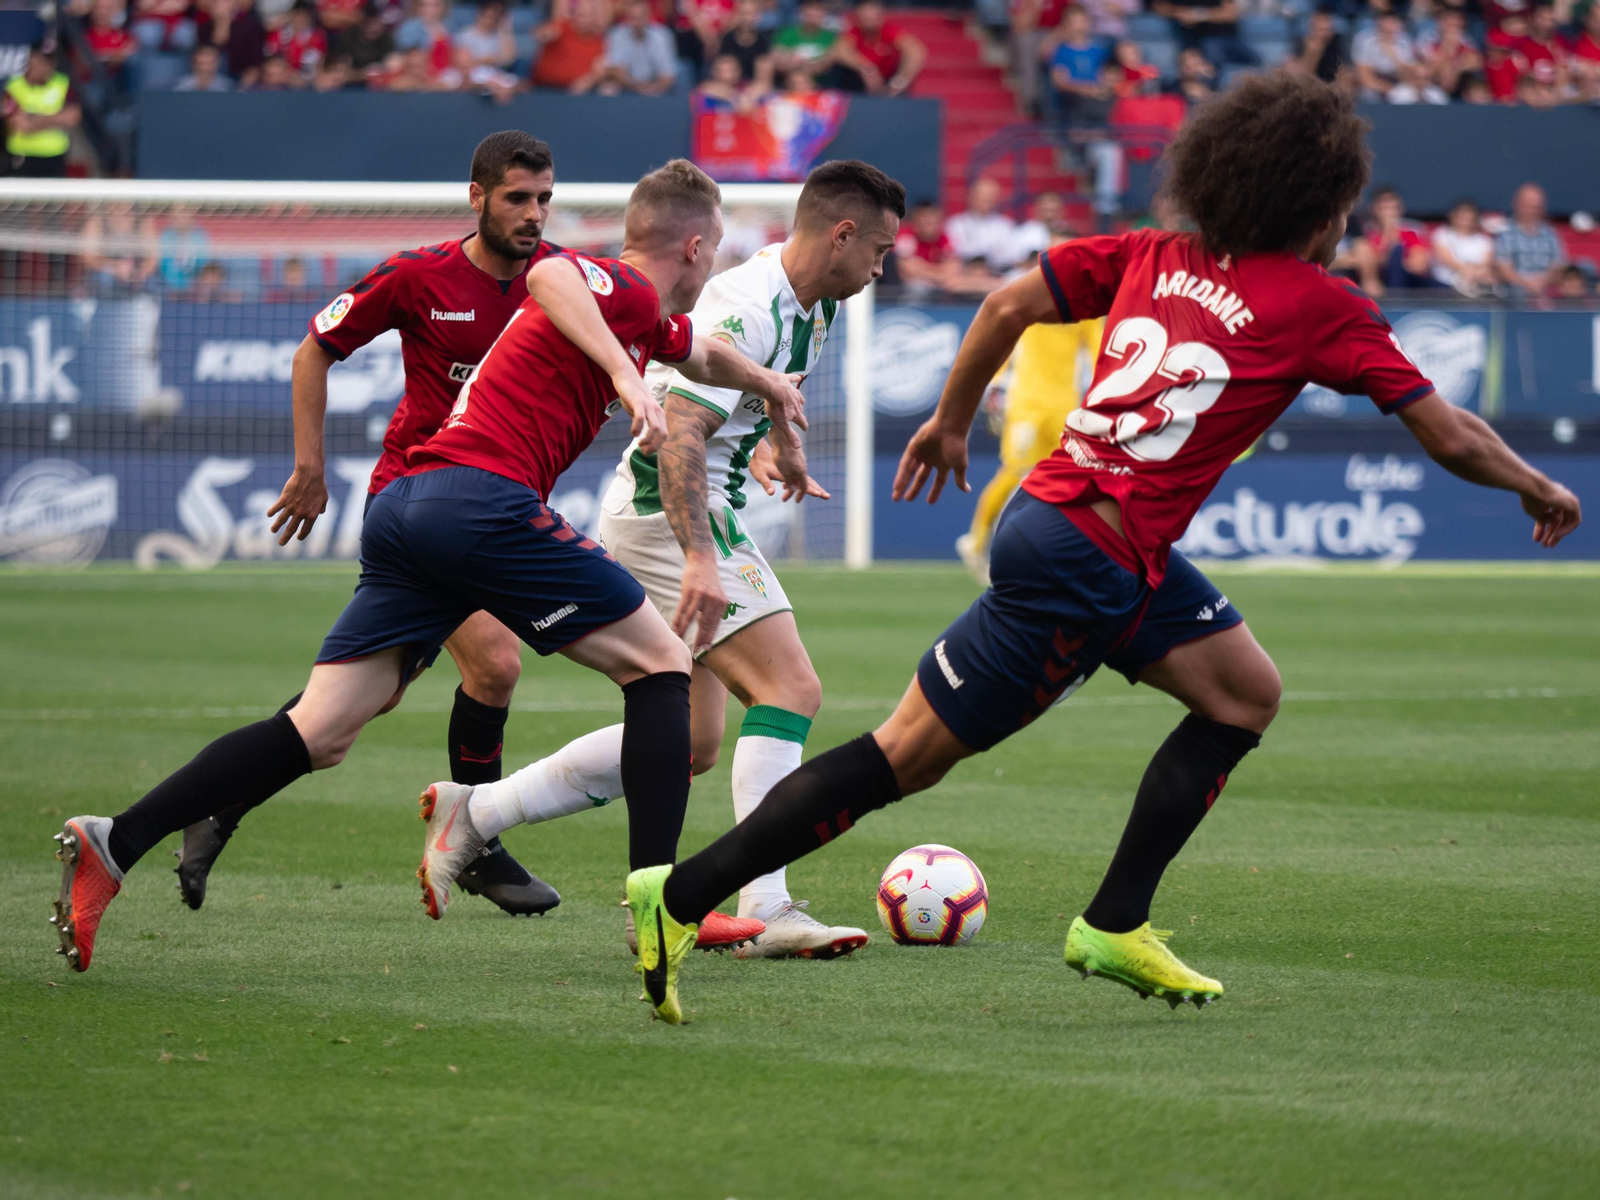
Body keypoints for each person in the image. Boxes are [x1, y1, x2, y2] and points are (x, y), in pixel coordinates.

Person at [620, 72, 1582, 1026]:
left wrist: (953, 425)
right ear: (1317, 201)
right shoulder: (1321, 304)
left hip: (1071, 527)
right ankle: (682, 895)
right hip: (1091, 561)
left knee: (1245, 692)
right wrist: (1537, 484)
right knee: (900, 760)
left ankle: (1118, 920)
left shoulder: (1155, 252)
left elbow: (1003, 307)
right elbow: (1448, 433)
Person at [51, 158, 810, 975]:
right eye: (718, 248)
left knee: (321, 729)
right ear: (695, 247)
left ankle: (116, 841)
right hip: (481, 502)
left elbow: (701, 352)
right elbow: (552, 274)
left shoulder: (641, 318)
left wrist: (769, 385)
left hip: (405, 508)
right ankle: (663, 905)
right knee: (663, 664)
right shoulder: (617, 286)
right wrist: (626, 376)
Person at [417, 161, 907, 960]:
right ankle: (769, 906)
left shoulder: (813, 308)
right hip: (668, 519)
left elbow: (745, 402)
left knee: (691, 743)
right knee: (791, 688)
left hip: (679, 512)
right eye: (878, 250)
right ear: (841, 234)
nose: (883, 268)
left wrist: (768, 446)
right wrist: (701, 560)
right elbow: (678, 429)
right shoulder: (751, 305)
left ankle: (478, 813)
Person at [166, 134, 566, 915]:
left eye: (545, 199)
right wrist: (309, 466)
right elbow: (315, 348)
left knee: (363, 706)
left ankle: (220, 803)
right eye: (518, 198)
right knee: (493, 662)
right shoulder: (419, 275)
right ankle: (475, 841)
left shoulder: (557, 281)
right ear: (477, 196)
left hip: (494, 500)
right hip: (422, 501)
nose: (534, 215)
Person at [956, 232, 1103, 585]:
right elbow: (1003, 338)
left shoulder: (1084, 305)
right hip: (1026, 403)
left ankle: (1061, 551)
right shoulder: (1026, 291)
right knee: (1013, 472)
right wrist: (997, 383)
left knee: (1070, 478)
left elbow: (1100, 355)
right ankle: (976, 541)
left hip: (1064, 406)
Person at [3, 44, 81, 178]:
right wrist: (56, 118)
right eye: (42, 60)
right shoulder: (14, 86)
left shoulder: (62, 83)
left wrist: (33, 118)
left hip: (55, 155)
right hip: (22, 156)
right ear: (31, 60)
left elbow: (72, 117)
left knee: (55, 197)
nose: (47, 65)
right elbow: (18, 125)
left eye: (50, 60)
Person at [1355, 185, 1433, 296]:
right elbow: (1353, 260)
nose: (1388, 213)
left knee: (1397, 251)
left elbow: (1419, 266)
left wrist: (1383, 257)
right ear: (1373, 208)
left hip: (1411, 284)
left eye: (1392, 208)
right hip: (1376, 285)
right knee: (1361, 247)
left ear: (1400, 208)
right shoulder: (1365, 233)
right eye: (1383, 208)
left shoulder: (1412, 231)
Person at [836, 1, 925, 96]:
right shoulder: (854, 33)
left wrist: (900, 81)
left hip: (889, 80)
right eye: (865, 18)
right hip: (859, 82)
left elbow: (914, 51)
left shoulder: (889, 31)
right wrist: (866, 69)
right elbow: (841, 51)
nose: (869, 21)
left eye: (872, 18)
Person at [1495, 181, 1566, 297]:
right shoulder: (1505, 234)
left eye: (1537, 207)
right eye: (1529, 207)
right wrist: (1527, 284)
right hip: (1514, 298)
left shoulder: (1551, 234)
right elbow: (1503, 268)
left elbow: (1559, 265)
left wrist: (1542, 282)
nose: (1533, 211)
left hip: (1546, 295)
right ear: (1517, 205)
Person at [600, 0, 679, 96]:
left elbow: (668, 74)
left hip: (655, 85)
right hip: (628, 85)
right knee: (608, 88)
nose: (637, 24)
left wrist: (654, 88)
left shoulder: (662, 35)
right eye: (634, 19)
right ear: (628, 18)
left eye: (641, 18)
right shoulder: (616, 35)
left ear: (648, 17)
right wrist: (638, 87)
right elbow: (616, 71)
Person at [1151, 0, 1258, 69]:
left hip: (1228, 37)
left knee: (1257, 61)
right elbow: (1159, 6)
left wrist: (1197, 15)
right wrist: (1179, 13)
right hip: (1198, 41)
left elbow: (1231, 13)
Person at [532, 0, 611, 93]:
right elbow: (545, 33)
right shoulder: (562, 27)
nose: (581, 20)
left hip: (577, 93)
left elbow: (599, 69)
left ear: (594, 18)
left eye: (586, 16)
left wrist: (588, 80)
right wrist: (545, 33)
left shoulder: (599, 42)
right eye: (579, 15)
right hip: (545, 88)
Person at [946, 178, 1019, 274]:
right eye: (982, 197)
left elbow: (1010, 256)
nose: (986, 202)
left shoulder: (1006, 225)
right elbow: (954, 254)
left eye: (990, 198)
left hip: (997, 274)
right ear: (971, 197)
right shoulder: (955, 224)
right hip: (964, 274)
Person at [1431, 198, 1496, 296]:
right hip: (1446, 283)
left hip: (1478, 279)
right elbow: (1446, 259)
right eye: (1462, 215)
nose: (1465, 218)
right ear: (1452, 216)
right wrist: (1466, 271)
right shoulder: (1442, 233)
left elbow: (1487, 263)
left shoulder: (1484, 240)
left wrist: (1475, 274)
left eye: (1468, 215)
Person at [1291, 8, 1352, 88]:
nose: (1324, 34)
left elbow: (1346, 73)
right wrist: (1314, 51)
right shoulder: (1302, 43)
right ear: (1312, 28)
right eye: (1320, 29)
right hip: (1309, 87)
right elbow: (1303, 76)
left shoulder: (1338, 43)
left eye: (1328, 30)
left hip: (1333, 88)